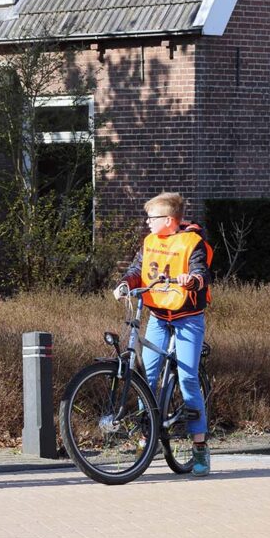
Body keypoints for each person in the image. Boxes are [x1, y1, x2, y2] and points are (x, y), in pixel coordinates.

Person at [114, 192, 213, 476]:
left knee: (187, 376)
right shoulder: (149, 243)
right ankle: (150, 437)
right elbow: (137, 270)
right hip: (158, 315)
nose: (147, 222)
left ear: (168, 220)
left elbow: (201, 273)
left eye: (152, 218)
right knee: (147, 377)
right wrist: (124, 284)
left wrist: (191, 280)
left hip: (188, 317)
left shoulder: (192, 243)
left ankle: (199, 447)